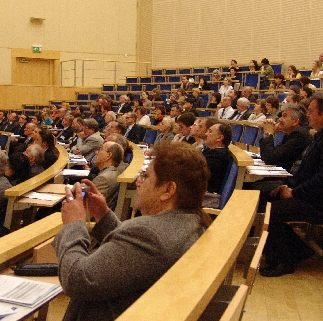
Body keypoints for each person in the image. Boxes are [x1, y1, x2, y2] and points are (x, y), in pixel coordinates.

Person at [53, 141, 211, 321]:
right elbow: (136, 256)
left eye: (146, 176)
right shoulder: (191, 221)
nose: (138, 182)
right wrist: (103, 215)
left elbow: (77, 280)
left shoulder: (148, 234)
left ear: (168, 190)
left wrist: (73, 224)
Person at [260, 94, 323, 277]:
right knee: (268, 197)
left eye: (312, 112)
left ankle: (284, 260)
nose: (308, 115)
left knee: (274, 210)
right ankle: (298, 250)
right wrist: (286, 185)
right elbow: (306, 171)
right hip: (316, 197)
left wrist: (294, 192)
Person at [259, 105, 312, 173]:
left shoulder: (299, 136)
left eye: (284, 116)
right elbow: (269, 155)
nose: (279, 119)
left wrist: (269, 134)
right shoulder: (290, 133)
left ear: (295, 122)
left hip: (289, 179)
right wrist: (269, 133)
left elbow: (270, 159)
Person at [91, 141, 123, 209]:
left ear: (109, 155)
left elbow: (91, 207)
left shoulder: (103, 179)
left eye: (100, 149)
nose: (96, 152)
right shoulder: (113, 172)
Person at [202, 123, 232, 195]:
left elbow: (197, 174)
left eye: (210, 131)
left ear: (220, 138)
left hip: (206, 195)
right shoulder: (213, 152)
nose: (206, 134)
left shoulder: (217, 155)